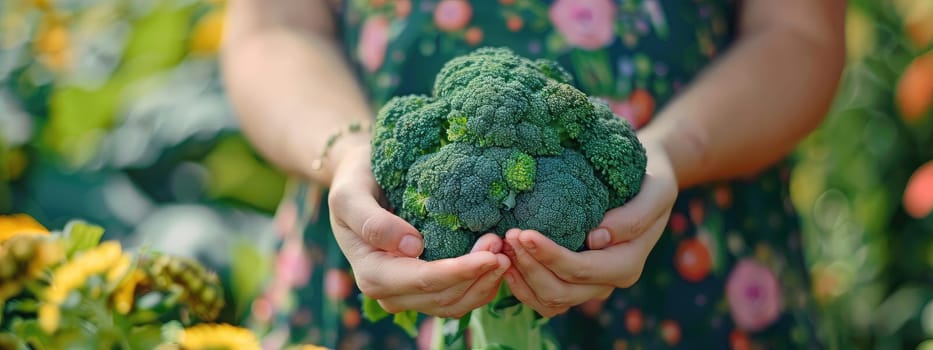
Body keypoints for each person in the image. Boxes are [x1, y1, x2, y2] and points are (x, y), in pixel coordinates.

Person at [220, 0, 845, 348]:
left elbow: (798, 34)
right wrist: (348, 153)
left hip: (689, 276)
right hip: (372, 251)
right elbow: (274, 29)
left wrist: (672, 150)